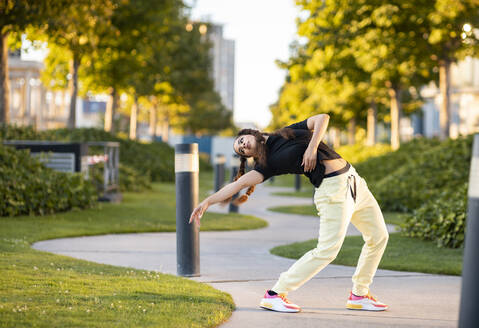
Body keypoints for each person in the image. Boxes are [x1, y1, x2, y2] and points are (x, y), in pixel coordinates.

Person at [188, 114, 389, 313]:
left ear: (249, 133)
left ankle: (360, 294)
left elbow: (322, 118)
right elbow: (237, 185)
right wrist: (207, 201)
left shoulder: (286, 132)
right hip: (333, 191)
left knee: (379, 237)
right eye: (241, 150)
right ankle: (275, 294)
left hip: (353, 180)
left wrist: (311, 148)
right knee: (327, 250)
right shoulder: (266, 166)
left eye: (242, 141)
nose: (244, 146)